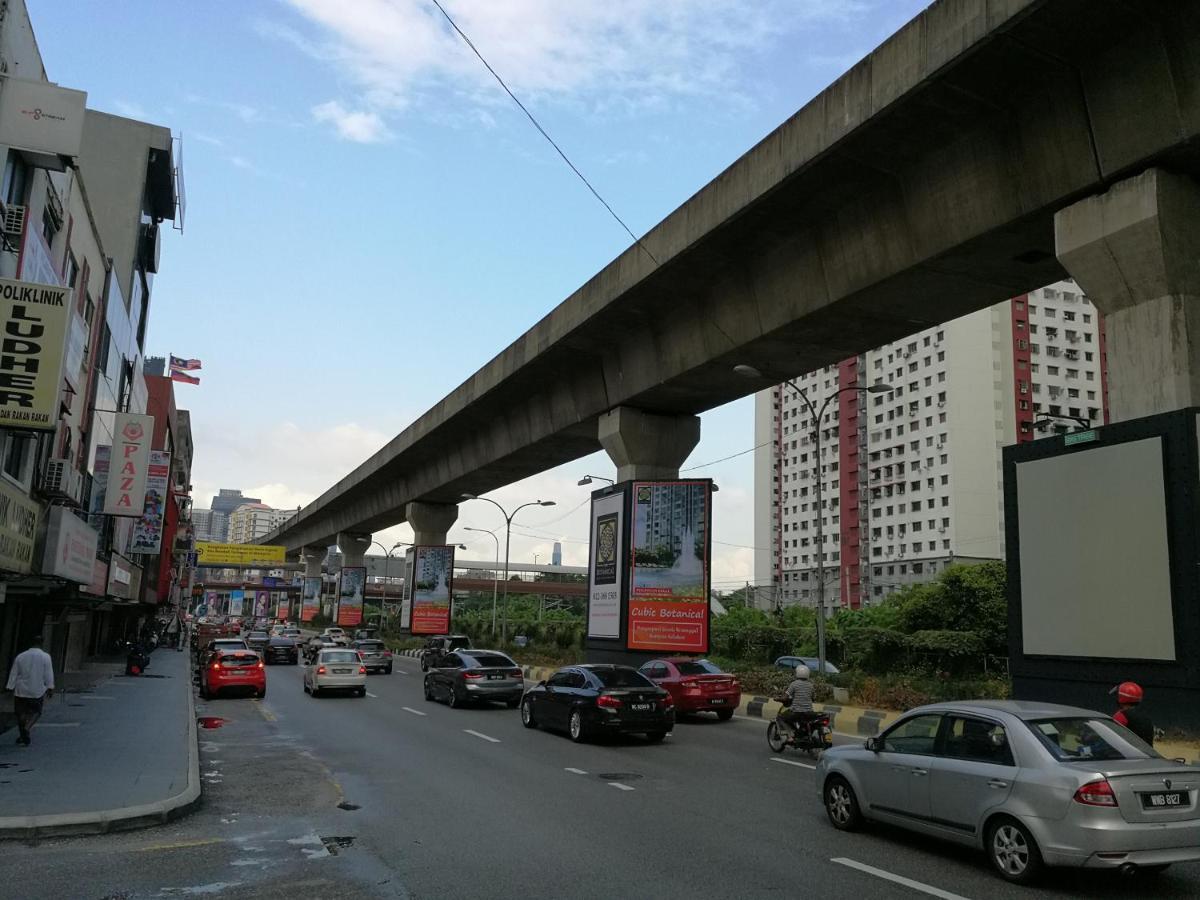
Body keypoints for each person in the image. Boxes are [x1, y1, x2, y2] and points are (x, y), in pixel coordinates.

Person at [5, 635, 54, 746]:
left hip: (21, 689)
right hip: (36, 689)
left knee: (20, 712)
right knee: (36, 711)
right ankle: (27, 728)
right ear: (42, 643)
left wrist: (10, 687)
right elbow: (48, 673)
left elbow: (14, 673)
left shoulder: (21, 656)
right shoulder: (45, 657)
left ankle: (23, 731)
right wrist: (50, 687)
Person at [1111, 681, 1154, 746]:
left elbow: (1111, 737)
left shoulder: (1121, 716)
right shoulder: (1145, 716)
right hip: (1145, 754)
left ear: (1122, 697)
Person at [781, 664, 815, 736]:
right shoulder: (810, 685)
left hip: (797, 712)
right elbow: (813, 698)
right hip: (809, 712)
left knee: (782, 718)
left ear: (797, 673)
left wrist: (779, 699)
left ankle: (790, 736)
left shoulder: (794, 684)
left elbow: (785, 697)